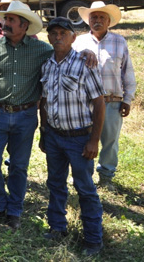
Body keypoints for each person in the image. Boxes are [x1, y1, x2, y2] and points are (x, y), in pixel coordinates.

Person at [0, 0, 49, 230]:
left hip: (26, 116)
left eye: (11, 20)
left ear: (24, 26)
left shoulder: (42, 50)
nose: (5, 23)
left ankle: (14, 210)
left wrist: (86, 53)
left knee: (18, 166)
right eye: (5, 19)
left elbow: (64, 55)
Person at [40, 17, 106, 256]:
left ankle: (93, 239)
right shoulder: (47, 65)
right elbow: (44, 102)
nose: (58, 37)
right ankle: (57, 227)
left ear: (73, 37)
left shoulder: (84, 63)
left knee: (85, 188)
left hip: (79, 138)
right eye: (54, 33)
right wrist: (44, 132)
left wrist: (94, 140)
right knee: (55, 183)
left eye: (63, 33)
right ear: (49, 37)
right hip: (54, 136)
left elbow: (99, 104)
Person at [73, 1, 136, 192]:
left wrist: (127, 99)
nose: (97, 20)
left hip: (111, 101)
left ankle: (106, 176)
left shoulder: (119, 42)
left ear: (109, 21)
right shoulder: (79, 42)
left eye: (102, 17)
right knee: (83, 140)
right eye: (94, 17)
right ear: (88, 20)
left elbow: (127, 73)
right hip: (84, 103)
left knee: (110, 141)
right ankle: (83, 176)